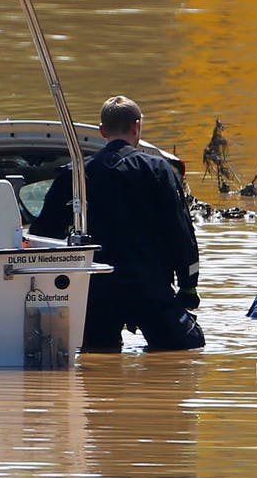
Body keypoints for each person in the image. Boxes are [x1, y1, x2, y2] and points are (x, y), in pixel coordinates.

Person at [33, 97, 205, 352]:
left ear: (102, 131)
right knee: (187, 348)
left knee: (98, 356)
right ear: (137, 127)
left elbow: (43, 234)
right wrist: (188, 283)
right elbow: (180, 231)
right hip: (149, 285)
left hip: (95, 287)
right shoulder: (157, 170)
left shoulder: (77, 174)